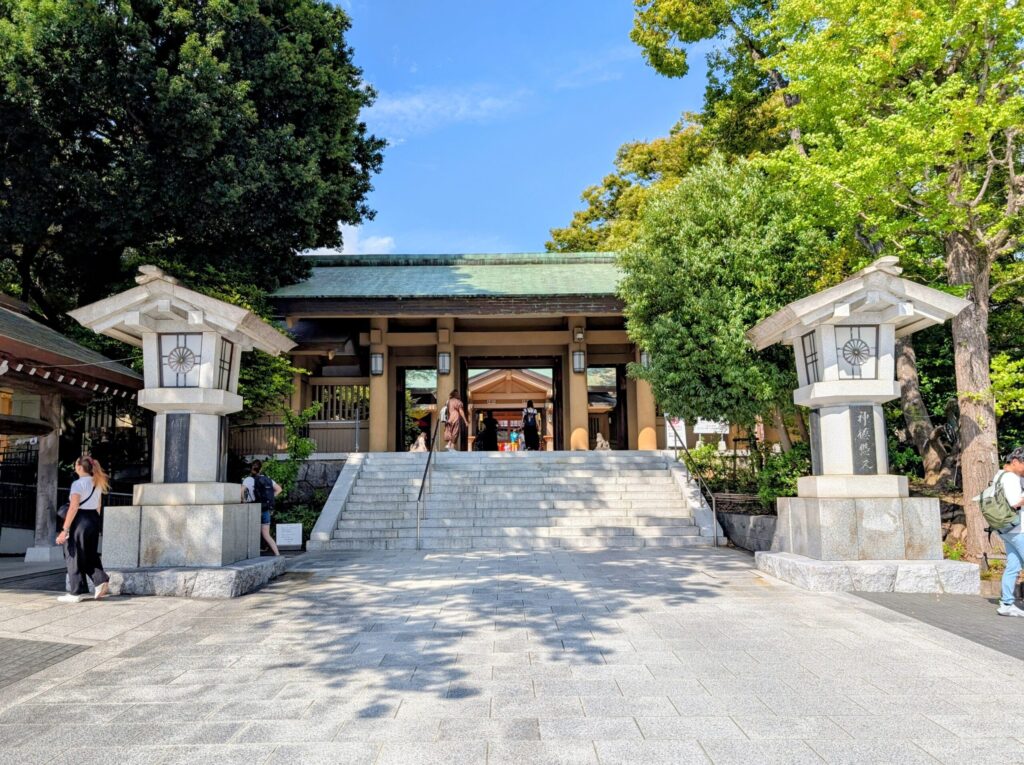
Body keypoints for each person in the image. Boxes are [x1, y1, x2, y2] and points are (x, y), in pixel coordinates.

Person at [56, 456, 111, 603]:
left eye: (75, 464)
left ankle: (76, 592)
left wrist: (65, 529)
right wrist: (94, 523)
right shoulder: (97, 482)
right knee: (89, 553)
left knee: (73, 554)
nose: (75, 467)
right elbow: (98, 506)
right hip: (93, 519)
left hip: (80, 520)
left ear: (80, 467)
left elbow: (73, 507)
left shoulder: (78, 484)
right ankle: (99, 580)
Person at [984, 447, 1024, 616]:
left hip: (1005, 529)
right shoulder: (1011, 478)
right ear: (1015, 462)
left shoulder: (999, 475)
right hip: (1017, 529)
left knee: (1013, 566)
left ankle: (1006, 604)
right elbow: (1015, 502)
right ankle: (1007, 603)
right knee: (1013, 566)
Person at [243, 460, 282, 556]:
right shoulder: (267, 479)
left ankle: (251, 555)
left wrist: (244, 500)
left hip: (253, 509)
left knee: (250, 533)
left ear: (251, 469)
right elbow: (279, 489)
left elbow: (241, 491)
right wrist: (270, 498)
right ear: (261, 469)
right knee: (266, 534)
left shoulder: (248, 480)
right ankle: (277, 554)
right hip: (265, 509)